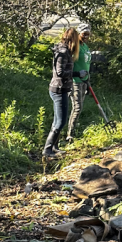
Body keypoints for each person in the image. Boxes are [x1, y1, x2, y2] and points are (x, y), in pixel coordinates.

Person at [43, 27, 79, 158]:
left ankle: (54, 147)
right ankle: (47, 150)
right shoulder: (63, 52)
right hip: (59, 89)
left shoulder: (65, 50)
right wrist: (76, 73)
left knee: (57, 120)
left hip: (61, 88)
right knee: (61, 122)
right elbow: (60, 72)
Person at [66, 27, 92, 142]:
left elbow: (86, 63)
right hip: (75, 81)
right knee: (77, 107)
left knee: (80, 108)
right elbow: (69, 63)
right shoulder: (75, 46)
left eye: (88, 35)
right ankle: (69, 134)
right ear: (79, 33)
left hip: (84, 81)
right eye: (84, 34)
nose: (86, 37)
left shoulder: (85, 47)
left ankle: (74, 129)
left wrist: (88, 79)